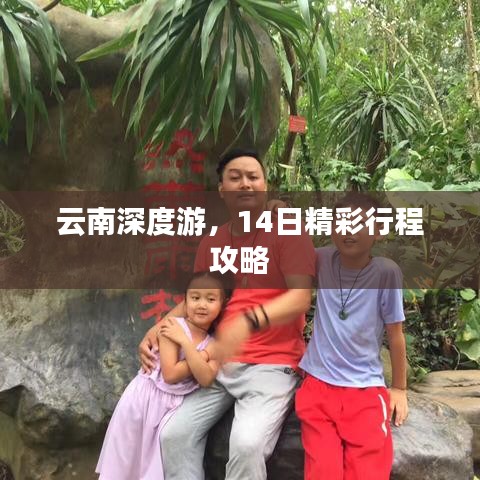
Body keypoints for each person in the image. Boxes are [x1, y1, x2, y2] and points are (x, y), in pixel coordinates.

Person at [139, 148, 316, 480]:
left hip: (272, 363)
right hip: (217, 362)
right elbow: (198, 298)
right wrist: (160, 327)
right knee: (174, 435)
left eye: (253, 177)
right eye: (235, 178)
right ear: (222, 189)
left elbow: (300, 298)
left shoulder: (287, 229)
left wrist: (248, 321)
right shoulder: (213, 241)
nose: (245, 184)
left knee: (246, 445)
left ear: (265, 185)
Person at [295, 192, 409, 480]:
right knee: (322, 471)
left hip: (364, 388)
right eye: (341, 222)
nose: (348, 231)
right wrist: (276, 212)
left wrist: (399, 388)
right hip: (318, 385)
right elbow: (285, 248)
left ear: (378, 231)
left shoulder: (386, 273)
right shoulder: (322, 258)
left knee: (368, 471)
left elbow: (395, 335)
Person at [96, 271, 231, 480]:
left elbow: (205, 378)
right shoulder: (173, 327)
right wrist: (201, 356)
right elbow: (171, 374)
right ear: (185, 301)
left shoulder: (213, 342)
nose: (202, 304)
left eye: (211, 299)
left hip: (170, 406)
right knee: (125, 462)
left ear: (223, 304)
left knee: (152, 467)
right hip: (143, 402)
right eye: (195, 297)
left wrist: (189, 347)